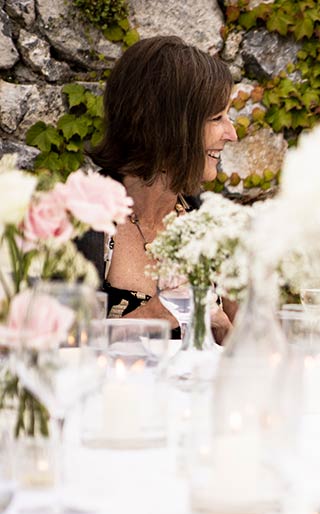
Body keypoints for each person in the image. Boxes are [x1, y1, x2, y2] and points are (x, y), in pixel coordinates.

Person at [77, 36, 236, 340]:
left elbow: (254, 359)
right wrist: (155, 316)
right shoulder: (82, 224)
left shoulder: (210, 229)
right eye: (217, 118)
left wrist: (225, 330)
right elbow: (49, 352)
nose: (232, 134)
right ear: (165, 127)